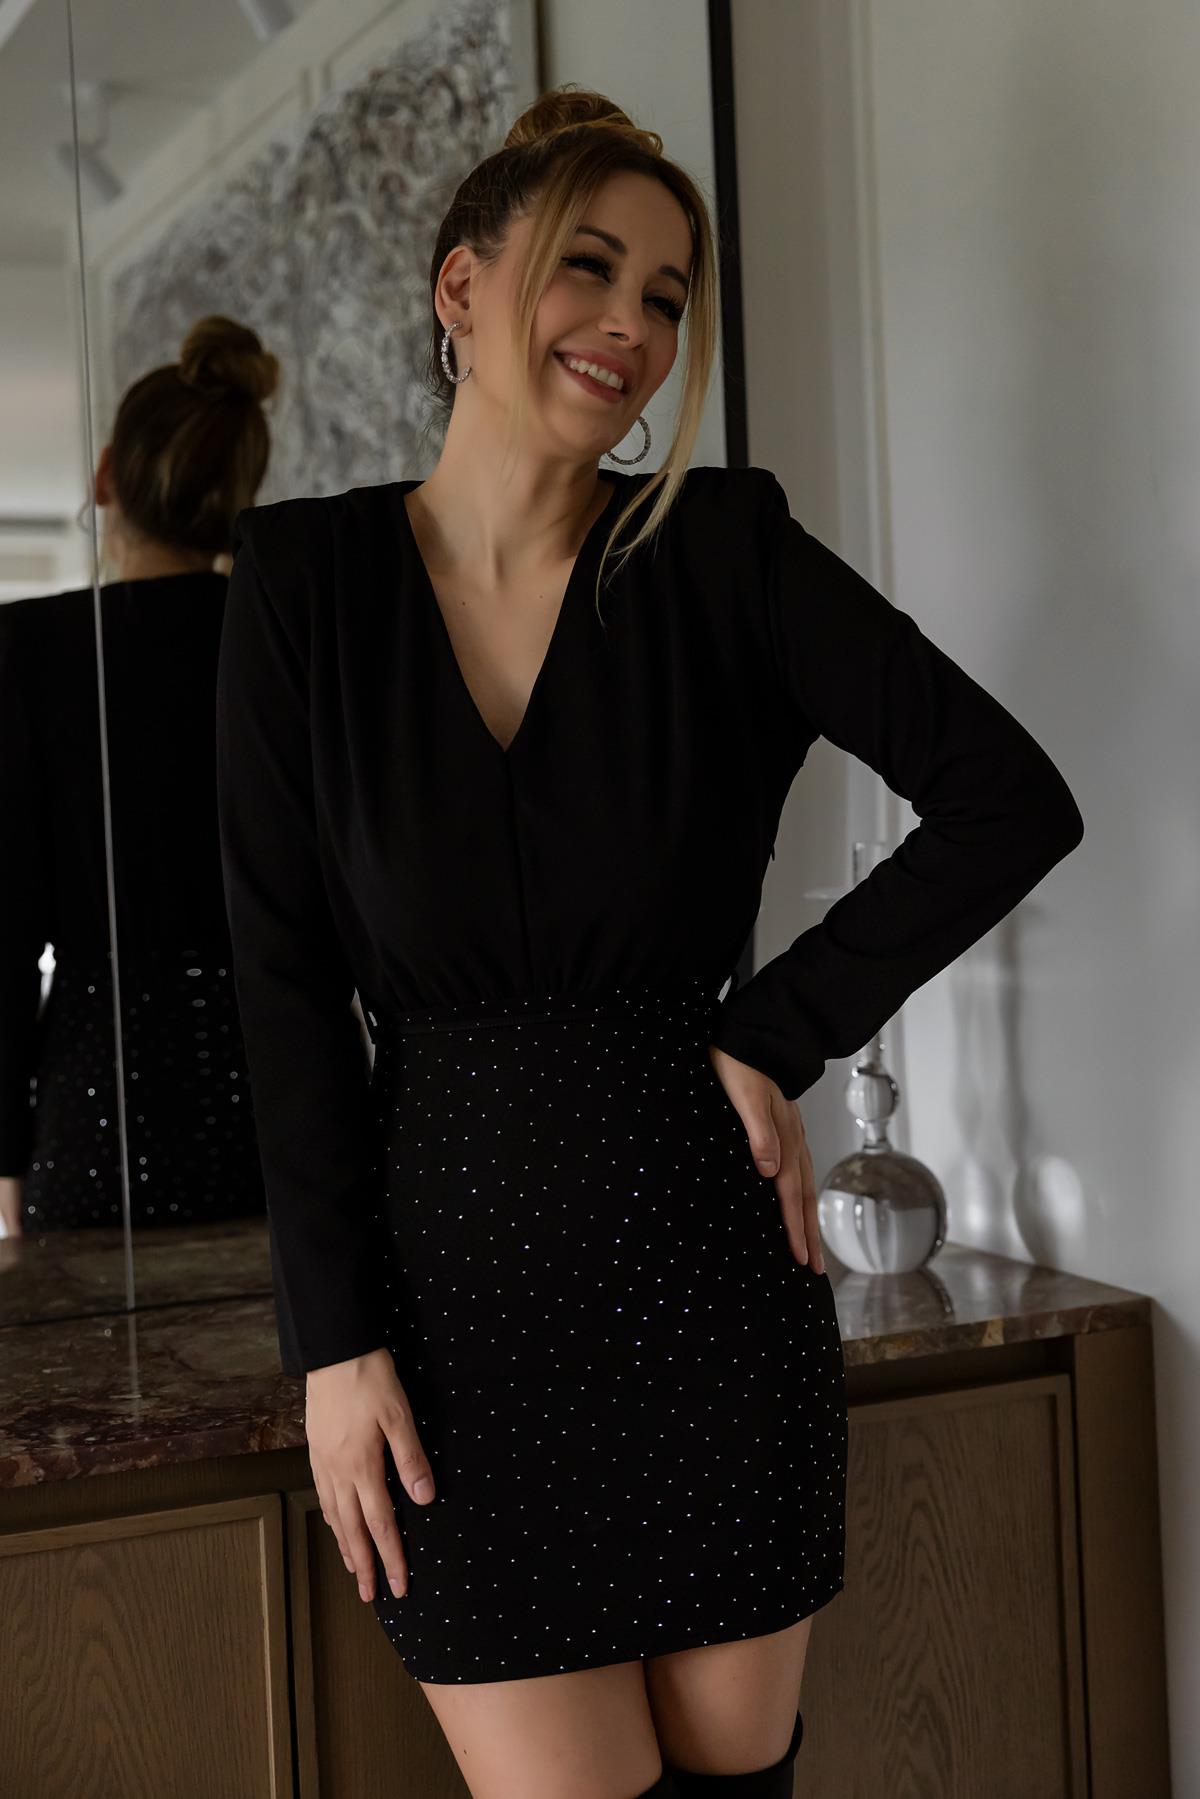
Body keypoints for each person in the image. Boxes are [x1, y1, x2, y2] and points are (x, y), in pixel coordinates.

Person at [213, 87, 1085, 1799]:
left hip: (711, 1286)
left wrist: (777, 1024)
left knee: (738, 1779)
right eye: (589, 266)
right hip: (448, 1316)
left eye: (668, 294)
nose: (632, 322)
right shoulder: (305, 586)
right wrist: (330, 1342)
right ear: (462, 287)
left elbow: (1008, 797)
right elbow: (283, 987)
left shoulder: (724, 553)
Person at [0, 316, 276, 1237]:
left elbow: (7, 936)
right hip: (279, 1087)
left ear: (106, 475)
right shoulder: (285, 643)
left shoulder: (32, 651)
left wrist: (5, 1153)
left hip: (94, 1101)